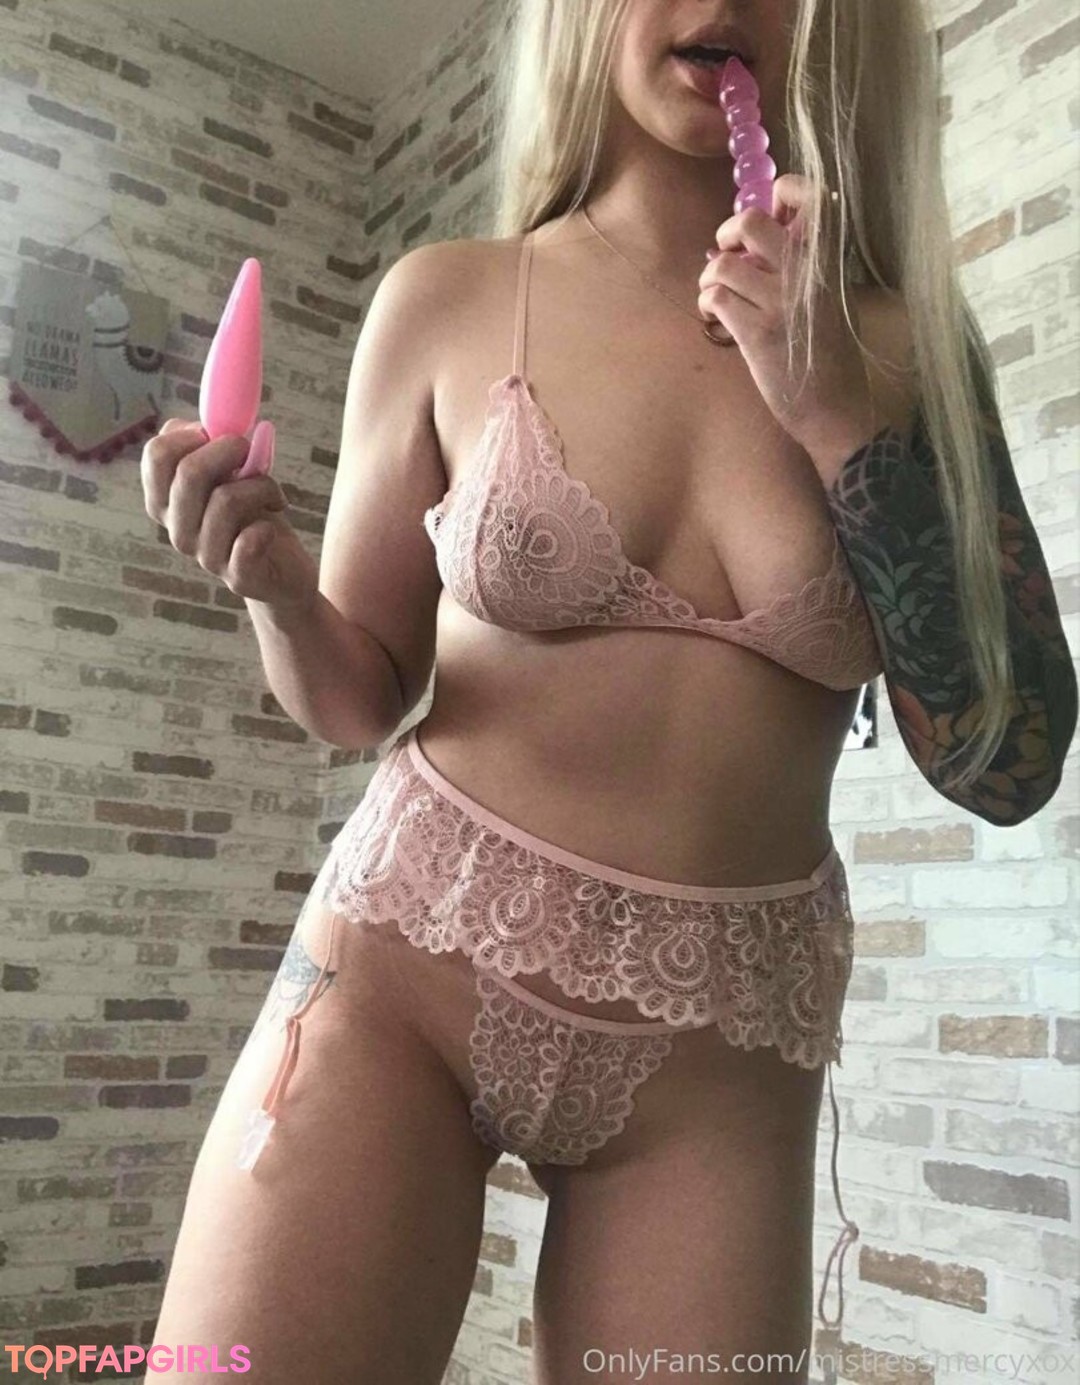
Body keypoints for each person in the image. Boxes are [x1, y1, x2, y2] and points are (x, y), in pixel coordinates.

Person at [144, 2, 1076, 1381]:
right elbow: (361, 699)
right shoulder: (448, 298)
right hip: (403, 973)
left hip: (721, 1056)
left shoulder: (902, 346)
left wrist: (836, 416)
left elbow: (1010, 760)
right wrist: (276, 588)